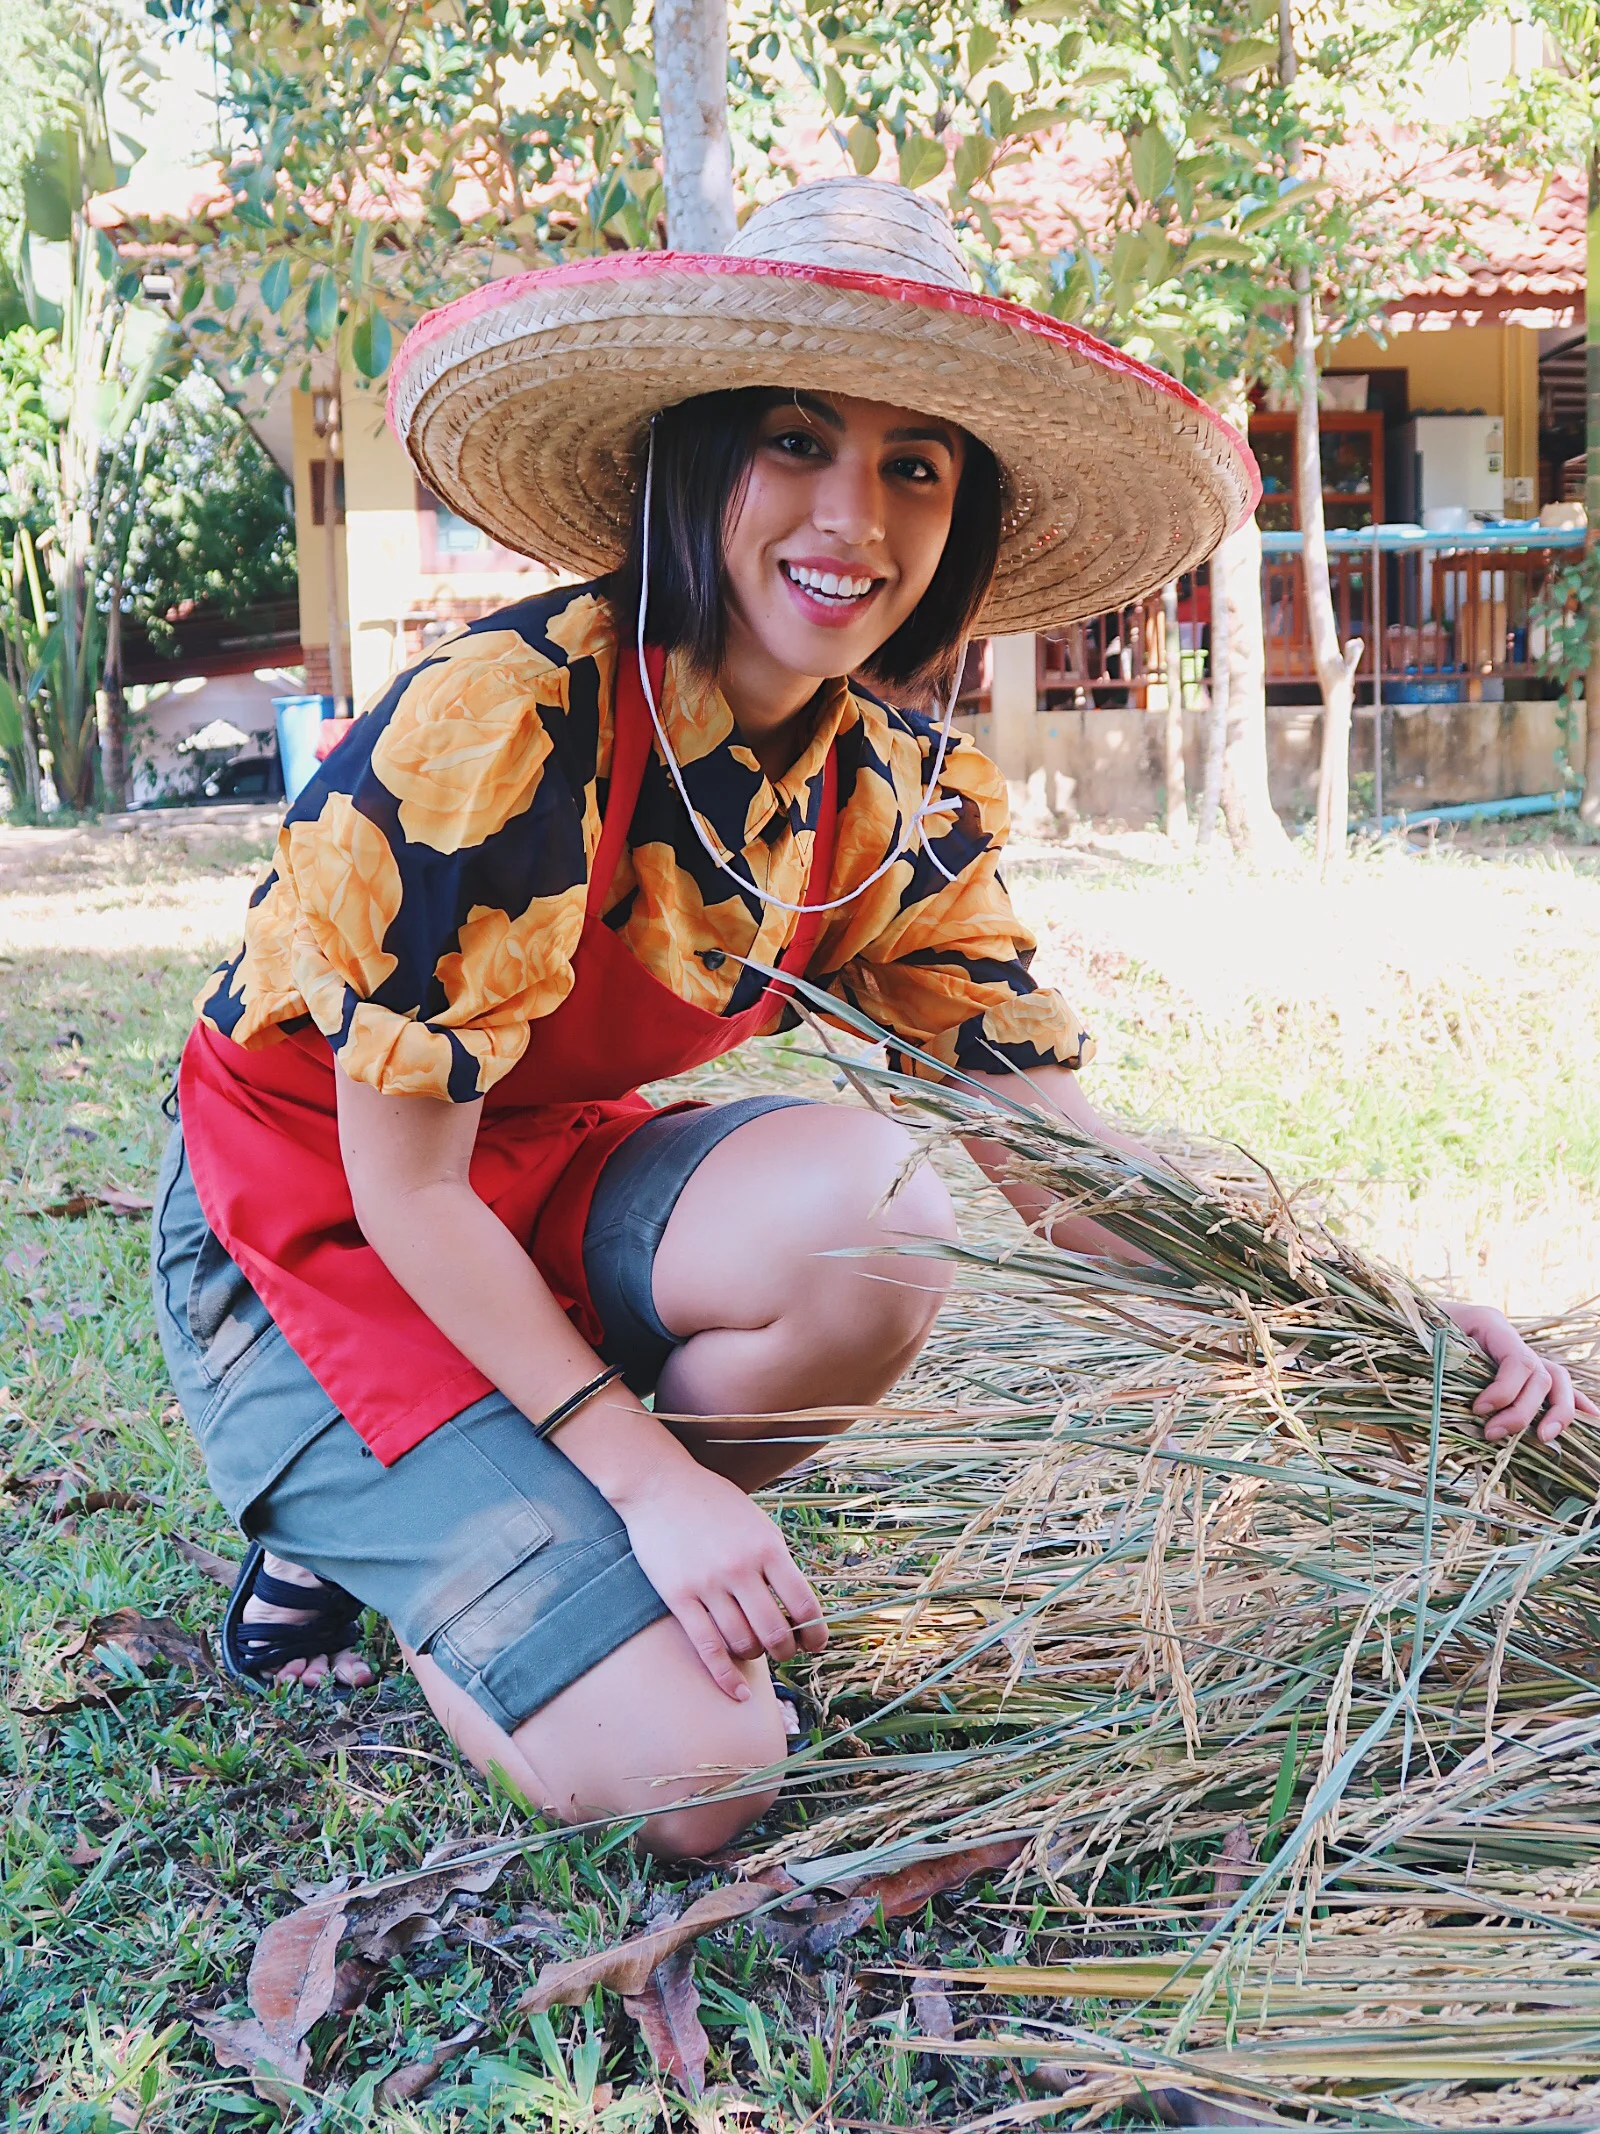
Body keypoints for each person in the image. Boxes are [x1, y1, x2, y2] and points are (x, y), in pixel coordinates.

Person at [151, 178, 1588, 1861]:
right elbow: (401, 1192)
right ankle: (443, 1546)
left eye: (915, 462)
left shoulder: (889, 798)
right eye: (794, 440)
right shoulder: (509, 726)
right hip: (319, 1223)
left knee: (881, 1213)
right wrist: (652, 1474)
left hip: (540, 1178)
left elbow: (1054, 1150)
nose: (855, 516)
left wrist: (1386, 1316)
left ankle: (519, 1523)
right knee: (705, 1772)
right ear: (698, 458)